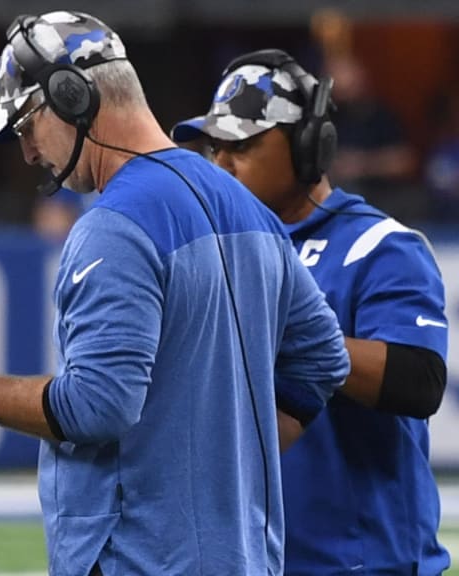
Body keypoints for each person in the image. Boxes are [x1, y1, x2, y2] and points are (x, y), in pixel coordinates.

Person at [0, 11, 350, 576]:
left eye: (25, 126)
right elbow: (323, 362)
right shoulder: (252, 211)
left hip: (142, 558)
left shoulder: (114, 226)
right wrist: (228, 467)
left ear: (72, 98)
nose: (26, 153)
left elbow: (99, 405)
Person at [171, 49, 450, 575]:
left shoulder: (380, 245)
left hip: (365, 562)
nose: (222, 165)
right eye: (215, 148)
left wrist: (287, 333)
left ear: (307, 147)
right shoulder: (216, 253)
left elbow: (419, 379)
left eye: (242, 145)